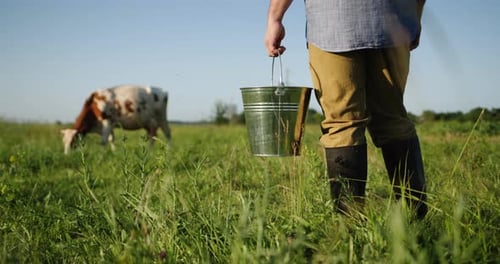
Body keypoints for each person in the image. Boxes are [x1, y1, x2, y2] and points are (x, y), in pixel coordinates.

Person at [265, 0, 428, 219]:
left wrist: (275, 18)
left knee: (342, 125)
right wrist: (413, 17)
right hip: (394, 19)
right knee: (393, 121)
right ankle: (416, 219)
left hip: (334, 21)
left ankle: (348, 228)